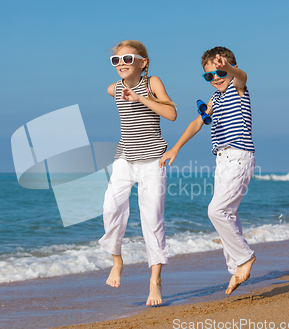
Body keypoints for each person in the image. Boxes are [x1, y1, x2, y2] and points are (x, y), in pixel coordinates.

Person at [160, 46, 256, 295]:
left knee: (217, 211)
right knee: (229, 215)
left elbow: (242, 75)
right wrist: (176, 148)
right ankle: (236, 268)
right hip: (222, 160)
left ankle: (244, 258)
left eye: (220, 73)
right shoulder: (214, 100)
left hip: (239, 156)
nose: (216, 79)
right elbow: (196, 123)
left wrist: (230, 69)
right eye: (209, 76)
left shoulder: (238, 88)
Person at [98, 40, 177, 306]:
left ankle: (155, 280)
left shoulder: (152, 82)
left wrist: (140, 97)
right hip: (125, 158)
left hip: (153, 160)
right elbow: (111, 90)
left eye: (128, 59)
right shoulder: (114, 88)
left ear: (142, 63)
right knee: (111, 207)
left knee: (152, 218)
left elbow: (171, 113)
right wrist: (123, 93)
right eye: (116, 60)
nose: (121, 64)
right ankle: (117, 261)